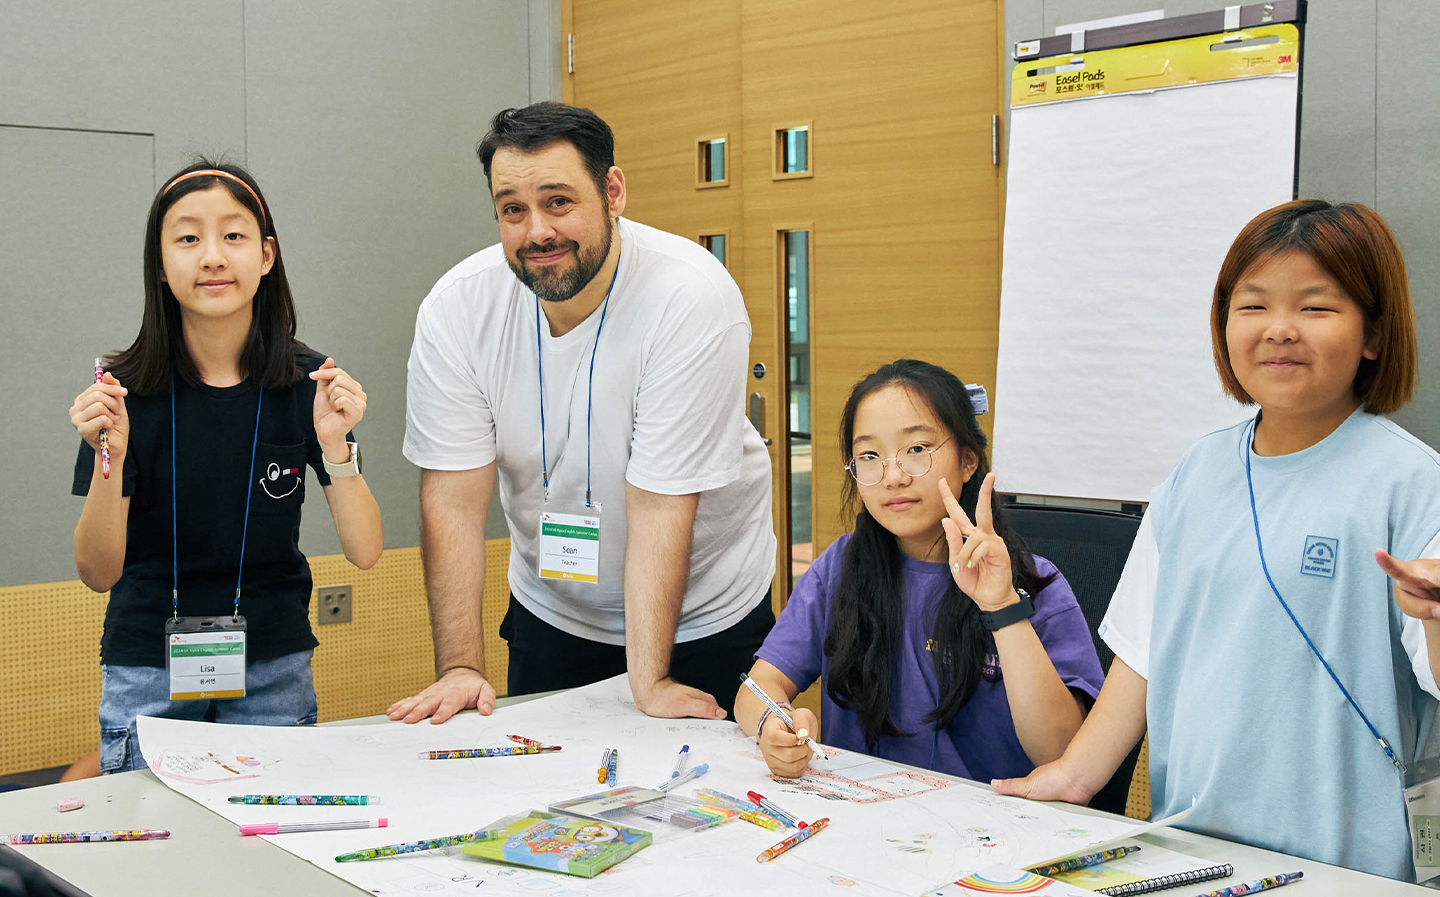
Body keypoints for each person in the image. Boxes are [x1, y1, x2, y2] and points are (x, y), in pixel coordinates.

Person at [993, 201, 1440, 882]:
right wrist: (1074, 775)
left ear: (1373, 335)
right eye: (1252, 306)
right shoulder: (1193, 476)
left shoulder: (1421, 492)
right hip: (1196, 861)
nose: (1280, 330)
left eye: (1315, 308)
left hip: (1352, 872)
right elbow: (1143, 656)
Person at [389, 102, 775, 725]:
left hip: (704, 613)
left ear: (612, 192)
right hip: (554, 608)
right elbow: (455, 497)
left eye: (559, 201)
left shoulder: (689, 296)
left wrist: (649, 681)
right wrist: (460, 666)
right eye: (513, 209)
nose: (537, 231)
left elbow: (660, 502)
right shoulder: (458, 307)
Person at [70, 160, 382, 773]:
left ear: (267, 256)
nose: (212, 257)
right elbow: (97, 571)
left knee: (264, 847)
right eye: (188, 238)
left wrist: (336, 445)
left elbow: (366, 551)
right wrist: (114, 453)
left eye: (233, 236)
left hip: (272, 661)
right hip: (147, 663)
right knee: (155, 853)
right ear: (160, 265)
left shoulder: (307, 381)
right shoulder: (122, 392)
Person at [735, 360, 1103, 784]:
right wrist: (772, 722)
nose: (892, 476)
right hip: (863, 820)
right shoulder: (839, 568)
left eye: (916, 450)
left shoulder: (1035, 584)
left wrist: (1002, 608)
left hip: (996, 829)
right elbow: (756, 687)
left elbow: (1062, 754)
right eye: (869, 456)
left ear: (968, 461)